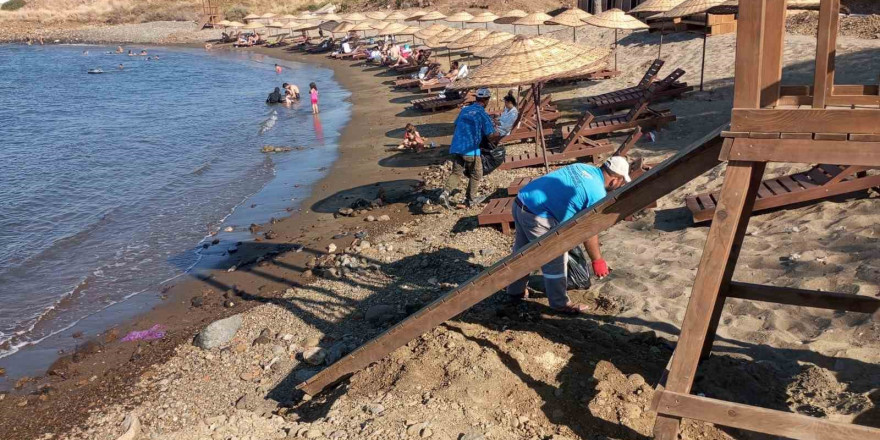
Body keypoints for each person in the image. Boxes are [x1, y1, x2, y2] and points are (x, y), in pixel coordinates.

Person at [505, 157, 631, 314]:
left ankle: (515, 291)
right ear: (615, 180)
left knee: (522, 253)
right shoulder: (597, 193)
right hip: (536, 214)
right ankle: (559, 304)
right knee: (555, 259)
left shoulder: (582, 167)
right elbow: (589, 232)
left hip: (521, 201)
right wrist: (597, 260)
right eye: (621, 182)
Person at [439, 88, 498, 208]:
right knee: (477, 174)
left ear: (476, 98)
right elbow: (490, 135)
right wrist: (501, 133)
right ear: (486, 100)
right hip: (470, 148)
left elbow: (456, 125)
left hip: (457, 146)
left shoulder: (464, 110)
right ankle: (471, 199)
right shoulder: (482, 114)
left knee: (456, 173)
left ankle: (445, 193)